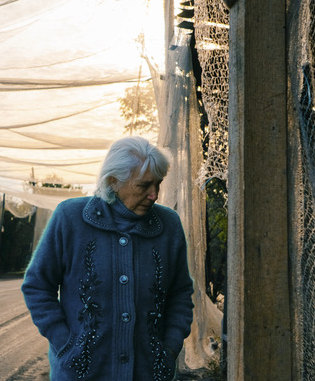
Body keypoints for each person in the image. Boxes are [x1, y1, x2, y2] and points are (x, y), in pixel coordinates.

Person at [22, 136, 194, 380]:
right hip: (82, 374)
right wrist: (66, 346)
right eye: (144, 185)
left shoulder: (169, 225)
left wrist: (169, 350)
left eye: (158, 184)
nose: (154, 195)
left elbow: (180, 294)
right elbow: (37, 286)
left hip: (148, 374)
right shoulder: (70, 218)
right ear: (113, 181)